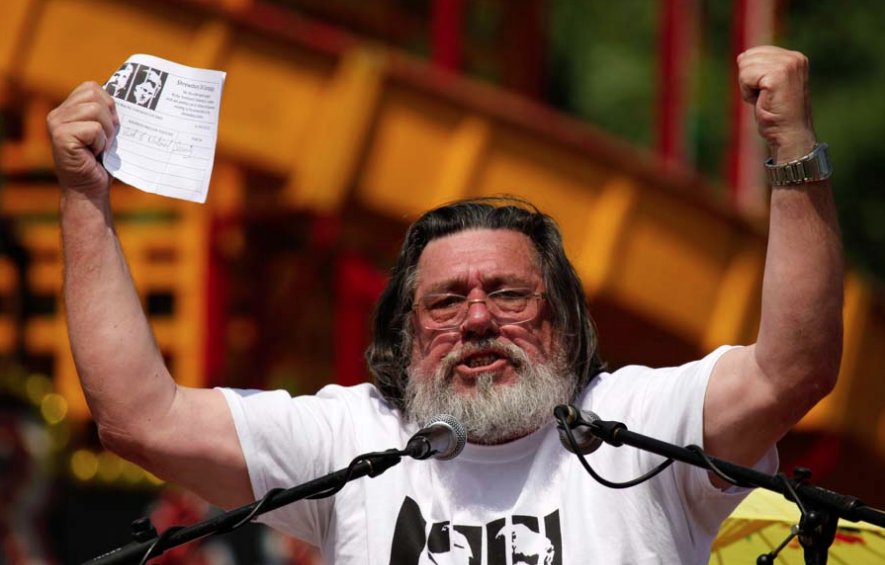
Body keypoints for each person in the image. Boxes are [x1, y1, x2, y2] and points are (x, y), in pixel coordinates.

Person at [46, 45, 842, 564]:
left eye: (506, 293)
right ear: (403, 334)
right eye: (444, 302)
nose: (476, 320)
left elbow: (792, 369)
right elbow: (139, 419)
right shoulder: (354, 437)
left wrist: (793, 152)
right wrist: (85, 197)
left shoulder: (640, 420)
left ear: (561, 321)